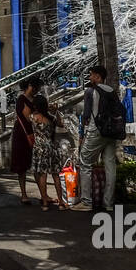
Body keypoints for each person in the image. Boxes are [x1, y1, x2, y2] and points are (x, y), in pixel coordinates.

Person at [73, 65, 121, 213]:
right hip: (112, 132)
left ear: (98, 77)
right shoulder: (111, 91)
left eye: (91, 75)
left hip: (96, 130)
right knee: (110, 165)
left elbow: (86, 115)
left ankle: (86, 202)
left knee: (85, 161)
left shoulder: (90, 91)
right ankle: (108, 203)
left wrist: (82, 135)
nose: (90, 77)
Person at [31, 94, 67, 211]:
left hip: (40, 148)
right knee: (56, 175)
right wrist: (55, 111)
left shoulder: (34, 117)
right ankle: (61, 202)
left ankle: (45, 202)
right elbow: (61, 124)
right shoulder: (51, 118)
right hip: (52, 147)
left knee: (42, 175)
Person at [11, 78, 40, 204]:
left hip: (34, 133)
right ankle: (24, 194)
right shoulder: (22, 99)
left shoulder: (36, 99)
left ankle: (43, 194)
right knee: (22, 166)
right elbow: (28, 118)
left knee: (37, 166)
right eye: (35, 87)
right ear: (30, 86)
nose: (36, 90)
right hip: (23, 135)